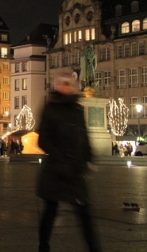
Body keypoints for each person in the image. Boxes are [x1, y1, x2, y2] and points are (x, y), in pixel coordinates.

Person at [36, 73, 101, 252]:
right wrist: (60, 159)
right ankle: (43, 246)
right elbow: (43, 141)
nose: (67, 87)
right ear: (57, 86)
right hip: (55, 170)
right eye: (63, 84)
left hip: (75, 170)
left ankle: (95, 249)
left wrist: (90, 158)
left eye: (69, 84)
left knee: (84, 212)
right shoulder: (50, 109)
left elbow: (84, 136)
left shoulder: (78, 109)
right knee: (50, 211)